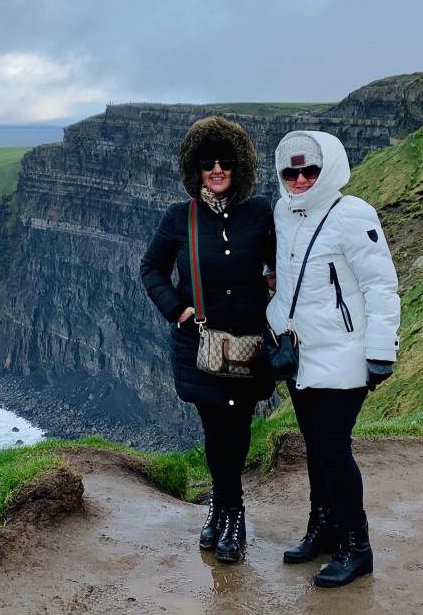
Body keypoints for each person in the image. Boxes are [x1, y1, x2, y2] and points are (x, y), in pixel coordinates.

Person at [140, 115, 276, 564]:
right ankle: (226, 509)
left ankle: (228, 511)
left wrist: (276, 282)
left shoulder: (259, 213)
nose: (216, 169)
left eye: (225, 161)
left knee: (235, 429)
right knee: (216, 427)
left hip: (248, 346)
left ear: (239, 167)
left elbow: (281, 264)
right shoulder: (180, 217)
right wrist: (175, 308)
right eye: (207, 162)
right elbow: (151, 268)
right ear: (194, 169)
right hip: (199, 348)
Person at [266, 130, 400, 588]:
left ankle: (356, 547)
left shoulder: (353, 214)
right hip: (300, 353)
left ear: (330, 169)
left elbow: (380, 285)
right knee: (314, 446)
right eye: (291, 171)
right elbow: (287, 272)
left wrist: (381, 352)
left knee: (331, 449)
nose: (300, 179)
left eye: (310, 170)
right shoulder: (284, 211)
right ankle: (323, 529)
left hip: (343, 353)